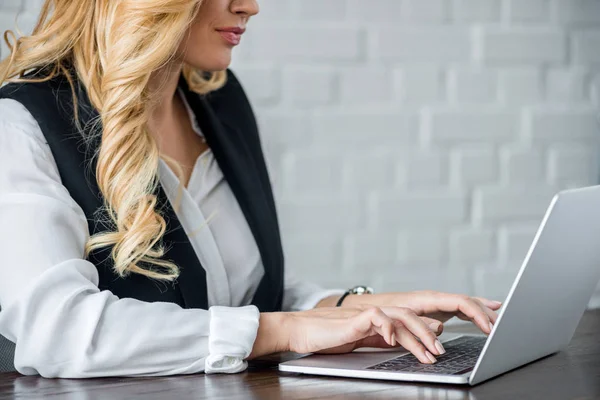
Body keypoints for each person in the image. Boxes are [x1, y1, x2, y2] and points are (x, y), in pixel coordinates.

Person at [0, 0, 501, 378]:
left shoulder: (221, 104)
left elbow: (237, 297)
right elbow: (58, 332)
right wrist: (281, 330)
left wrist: (362, 309)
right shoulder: (21, 123)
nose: (250, 5)